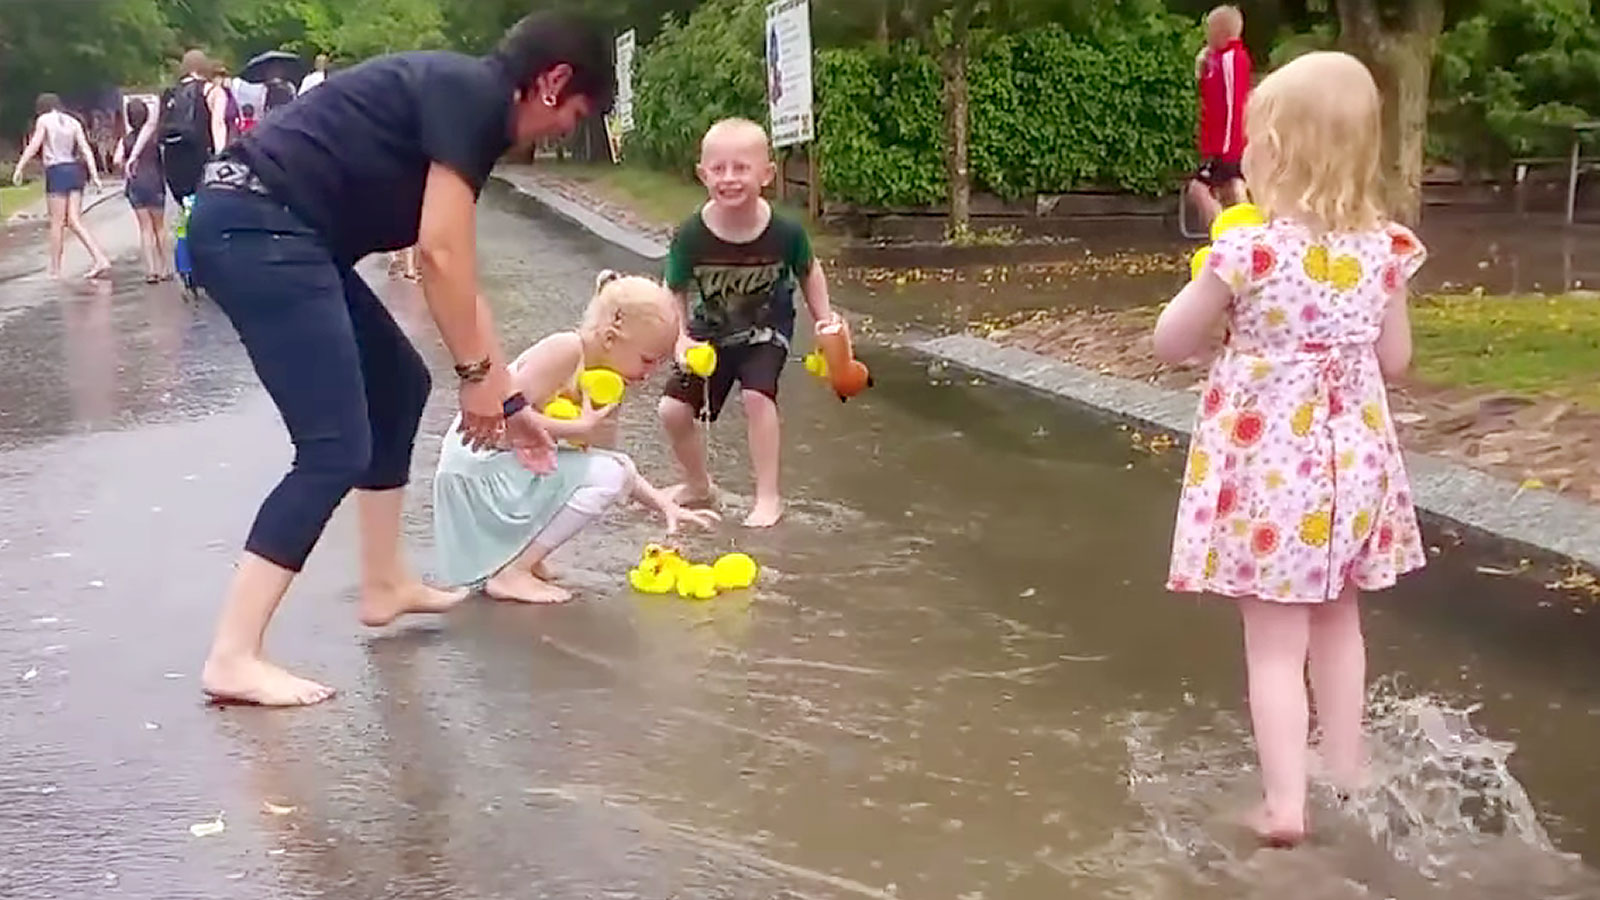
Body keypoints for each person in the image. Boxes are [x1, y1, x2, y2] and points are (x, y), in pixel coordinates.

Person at [187, 11, 615, 707]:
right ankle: (233, 655)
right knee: (333, 448)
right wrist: (475, 382)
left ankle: (385, 584)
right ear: (552, 81)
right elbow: (440, 257)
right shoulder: (474, 101)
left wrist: (508, 402)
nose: (566, 129)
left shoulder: (464, 101)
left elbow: (457, 273)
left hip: (278, 230)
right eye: (575, 113)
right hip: (257, 226)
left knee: (397, 383)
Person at [1152, 51, 1429, 847]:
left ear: (1279, 150)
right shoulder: (1384, 250)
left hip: (1270, 471)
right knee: (1340, 618)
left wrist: (1210, 280)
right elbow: (1395, 361)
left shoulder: (1250, 252)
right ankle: (1344, 767)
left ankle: (1284, 806)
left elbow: (1170, 342)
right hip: (1353, 468)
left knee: (1274, 644)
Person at [434, 271, 719, 603]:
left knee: (604, 470)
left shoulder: (607, 380)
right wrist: (576, 429)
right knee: (605, 474)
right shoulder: (567, 350)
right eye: (647, 360)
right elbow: (502, 422)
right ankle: (512, 572)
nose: (649, 373)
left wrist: (663, 505)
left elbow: (607, 462)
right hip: (474, 467)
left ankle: (522, 558)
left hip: (495, 471)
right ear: (611, 337)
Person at [656, 118, 834, 529]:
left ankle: (768, 497)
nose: (729, 178)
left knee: (758, 398)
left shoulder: (785, 231)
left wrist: (825, 321)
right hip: (710, 332)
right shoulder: (692, 234)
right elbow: (674, 288)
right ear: (703, 174)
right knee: (671, 411)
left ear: (767, 174)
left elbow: (809, 270)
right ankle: (699, 484)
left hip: (765, 329)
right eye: (718, 169)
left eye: (741, 168)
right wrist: (679, 337)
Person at [11, 93, 112, 280]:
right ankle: (99, 257)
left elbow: (35, 144)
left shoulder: (44, 120)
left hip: (56, 170)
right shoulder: (73, 122)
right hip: (74, 169)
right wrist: (95, 176)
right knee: (74, 220)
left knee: (57, 223)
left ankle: (55, 268)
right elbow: (85, 149)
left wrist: (20, 166)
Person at [1188, 5, 1251, 229]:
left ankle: (1224, 237)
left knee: (1200, 189)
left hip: (1227, 144)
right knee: (1231, 188)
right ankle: (1241, 237)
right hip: (1222, 143)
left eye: (1210, 29)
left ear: (1221, 31)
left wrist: (1226, 147)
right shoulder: (1221, 58)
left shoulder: (1231, 59)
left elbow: (1233, 104)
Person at [113, 98, 173, 283]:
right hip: (155, 182)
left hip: (136, 184)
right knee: (160, 228)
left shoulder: (126, 140)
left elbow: (116, 160)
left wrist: (126, 166)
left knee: (145, 229)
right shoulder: (154, 137)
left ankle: (151, 271)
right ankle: (165, 268)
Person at [159, 49, 229, 203]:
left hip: (173, 159)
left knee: (187, 207)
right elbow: (218, 124)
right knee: (205, 206)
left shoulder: (170, 93)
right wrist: (221, 156)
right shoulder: (212, 91)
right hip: (200, 155)